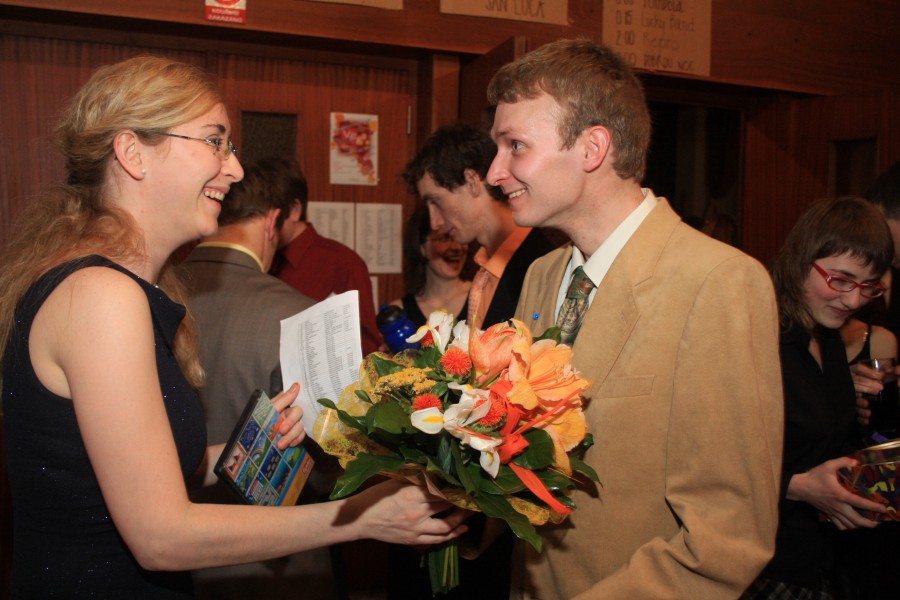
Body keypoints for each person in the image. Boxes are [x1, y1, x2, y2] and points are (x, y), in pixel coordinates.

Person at [0, 55, 467, 599]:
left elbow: (136, 469)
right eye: (214, 142)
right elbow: (160, 537)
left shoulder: (113, 287)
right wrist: (359, 517)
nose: (236, 170)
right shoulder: (101, 295)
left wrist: (257, 447)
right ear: (132, 153)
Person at [487, 38, 785, 598]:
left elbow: (725, 540)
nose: (494, 171)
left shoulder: (718, 282)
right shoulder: (542, 275)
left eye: (515, 146)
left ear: (592, 147)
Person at [179, 158, 343, 599]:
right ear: (273, 222)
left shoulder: (154, 293)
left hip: (175, 555)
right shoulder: (299, 315)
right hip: (274, 558)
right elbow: (332, 460)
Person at [743, 196, 891, 599]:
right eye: (840, 280)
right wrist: (796, 486)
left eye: (869, 286)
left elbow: (821, 439)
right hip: (761, 566)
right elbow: (704, 458)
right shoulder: (755, 332)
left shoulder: (827, 337)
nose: (853, 300)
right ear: (801, 259)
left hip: (817, 561)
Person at [402, 121, 556, 332]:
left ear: (471, 182)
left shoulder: (541, 266)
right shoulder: (485, 269)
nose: (435, 222)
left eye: (436, 202)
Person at [268, 156, 383, 355]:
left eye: (270, 214)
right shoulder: (262, 259)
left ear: (294, 209)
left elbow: (365, 348)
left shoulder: (342, 263)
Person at [388, 204, 471, 328]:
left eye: (460, 237)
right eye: (444, 238)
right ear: (421, 247)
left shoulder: (483, 298)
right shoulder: (399, 312)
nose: (456, 247)